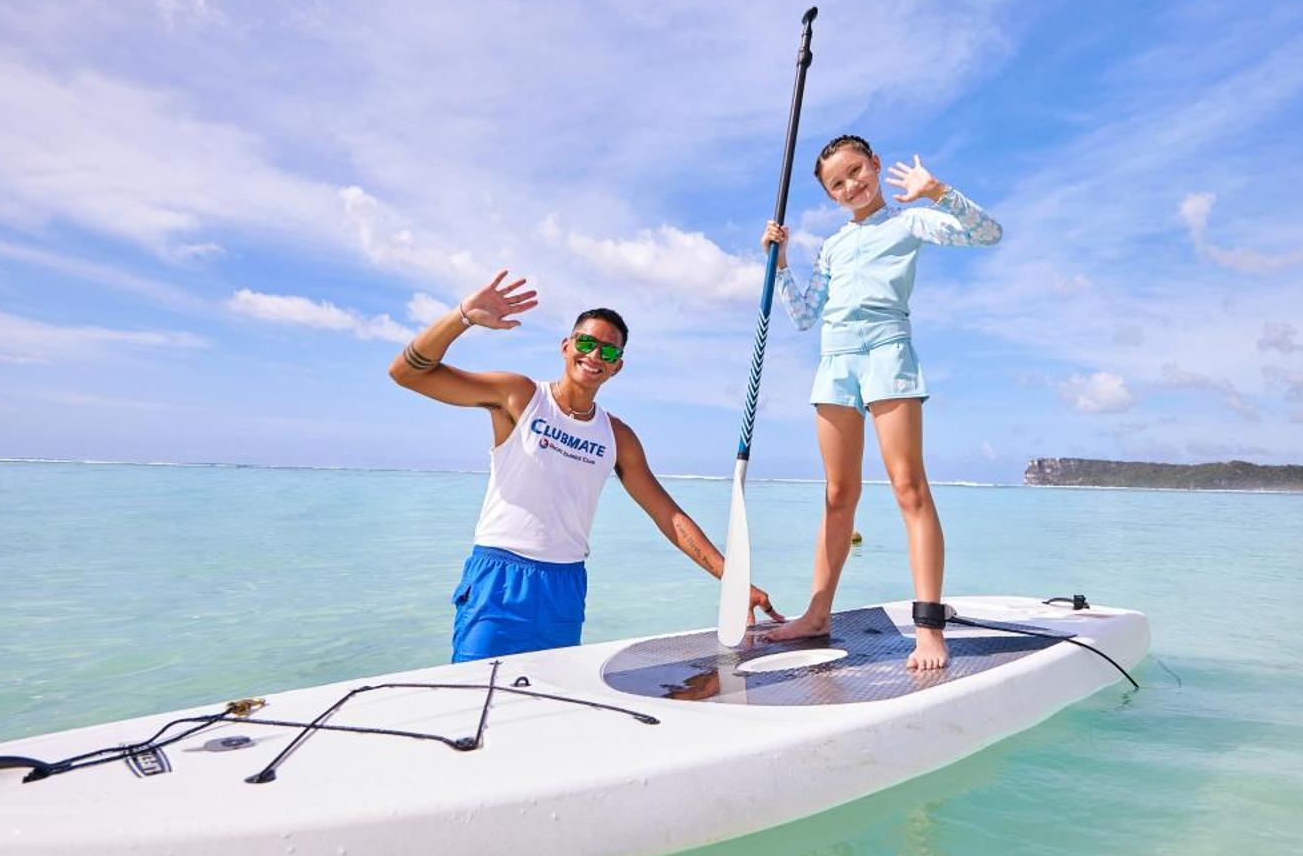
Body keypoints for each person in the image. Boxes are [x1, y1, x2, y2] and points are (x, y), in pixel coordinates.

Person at [389, 270, 781, 661]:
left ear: (617, 367)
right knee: (476, 703)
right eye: (586, 343)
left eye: (608, 352)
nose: (594, 356)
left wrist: (733, 580)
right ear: (566, 345)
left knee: (551, 709)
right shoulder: (519, 396)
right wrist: (462, 317)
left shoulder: (617, 436)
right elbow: (407, 373)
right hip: (500, 579)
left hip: (565, 586)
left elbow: (669, 517)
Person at [760, 138, 1001, 670]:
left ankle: (929, 628)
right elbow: (804, 315)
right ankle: (817, 613)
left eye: (856, 171)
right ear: (830, 195)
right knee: (837, 495)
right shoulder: (831, 246)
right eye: (837, 183)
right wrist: (779, 266)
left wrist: (938, 193)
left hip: (889, 351)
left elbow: (988, 233)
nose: (851, 186)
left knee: (909, 487)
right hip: (836, 361)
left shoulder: (909, 222)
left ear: (874, 164)